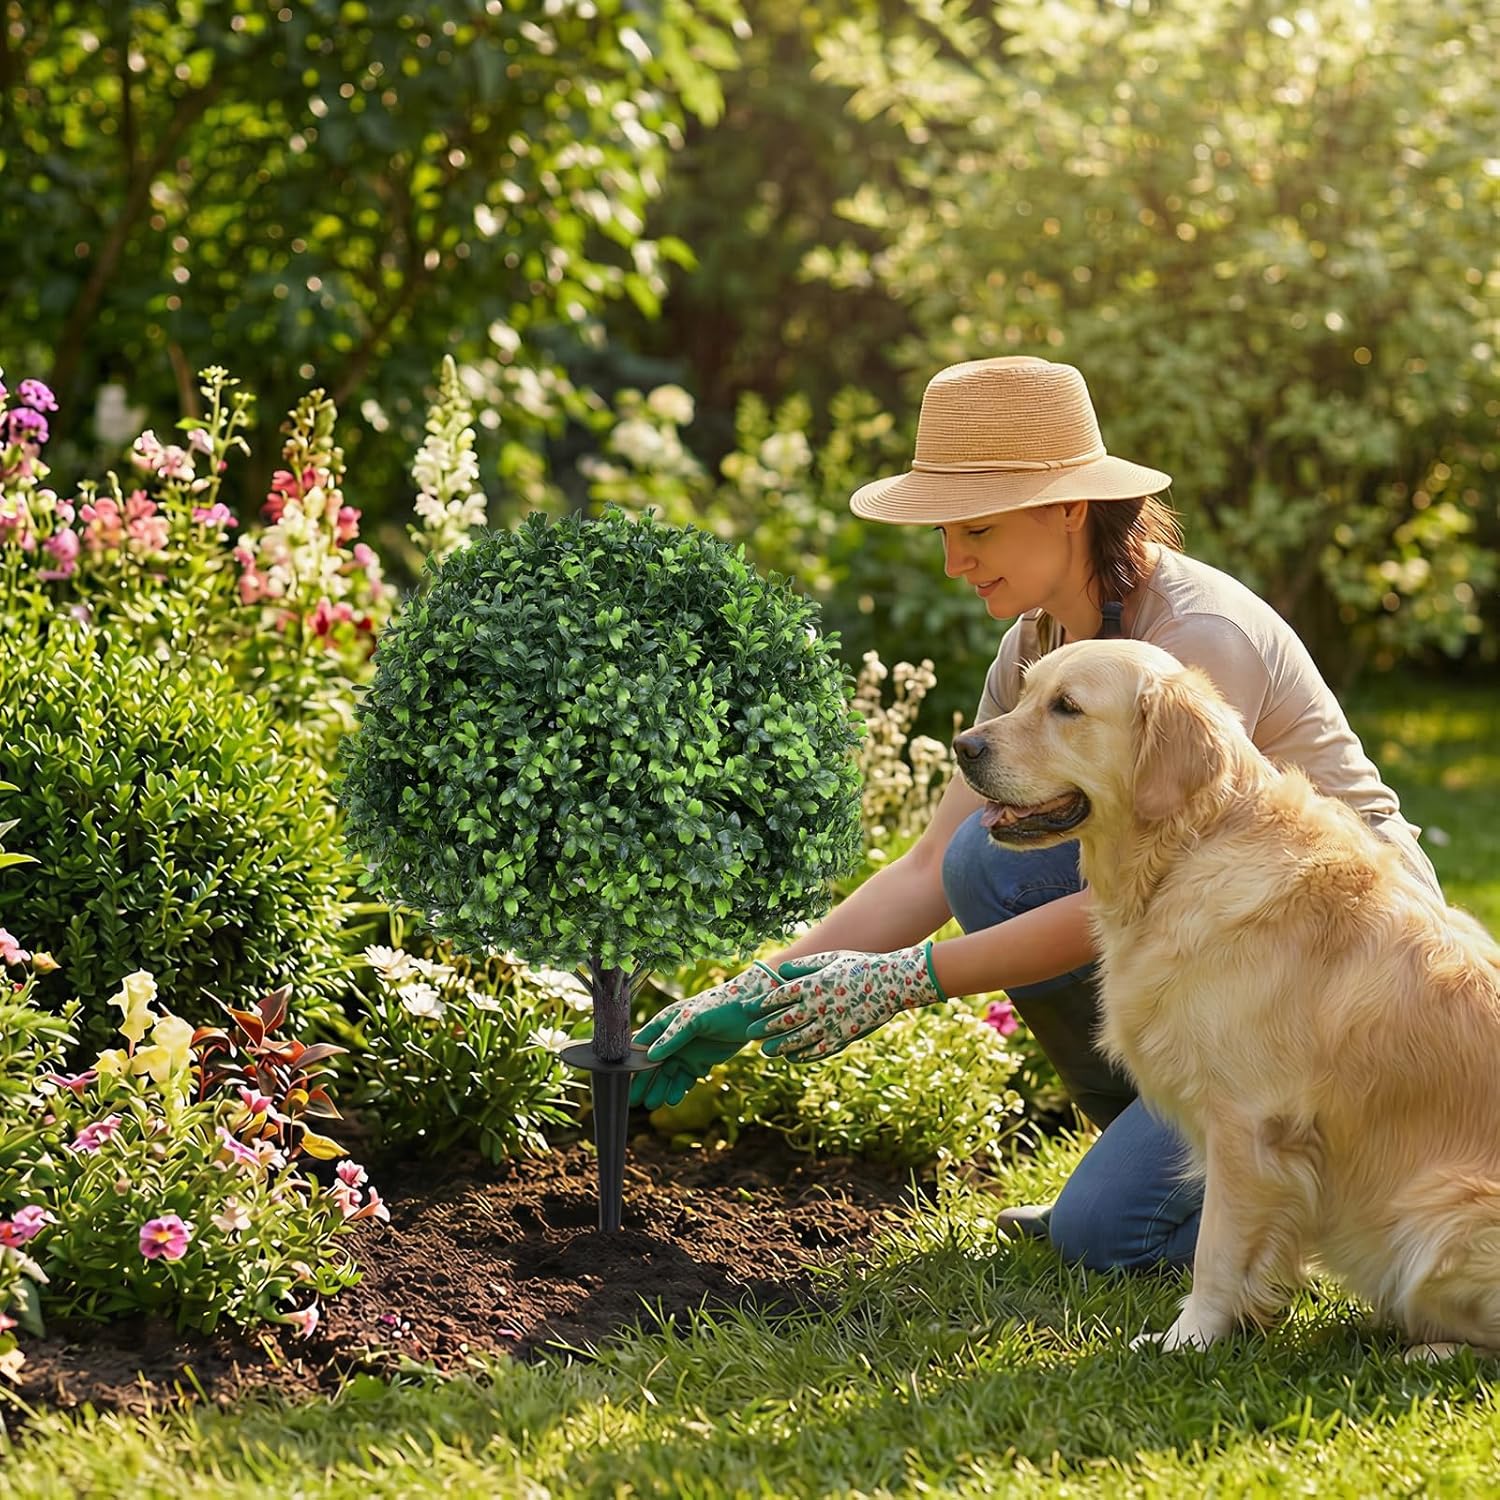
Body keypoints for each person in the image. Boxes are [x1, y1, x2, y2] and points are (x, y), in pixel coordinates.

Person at [631, 355, 1440, 1271]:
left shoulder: (1194, 644)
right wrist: (759, 987)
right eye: (945, 532)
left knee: (1105, 1235)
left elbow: (1178, 894)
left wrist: (909, 979)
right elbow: (932, 864)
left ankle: (1294, 1179)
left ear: (1069, 509)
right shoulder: (1036, 649)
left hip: (1344, 967)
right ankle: (1170, 1147)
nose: (952, 561)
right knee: (987, 857)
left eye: (976, 528)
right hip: (1211, 952)